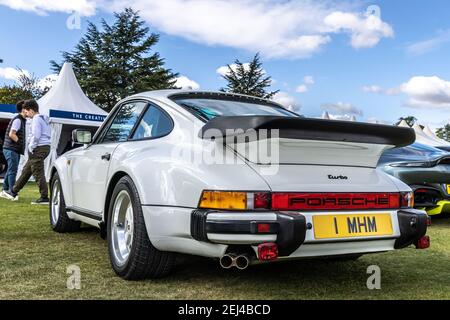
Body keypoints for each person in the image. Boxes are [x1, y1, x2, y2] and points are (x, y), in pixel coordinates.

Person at [3, 99, 51, 204]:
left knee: (38, 173)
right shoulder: (44, 118)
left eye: (26, 111)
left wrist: (31, 146)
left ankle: (44, 197)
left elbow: (36, 135)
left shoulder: (36, 119)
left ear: (31, 110)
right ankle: (13, 191)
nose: (26, 114)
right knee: (26, 171)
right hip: (45, 147)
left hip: (38, 148)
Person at [0, 101, 27, 201]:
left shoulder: (21, 120)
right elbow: (12, 134)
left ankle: (4, 190)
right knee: (13, 170)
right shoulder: (18, 120)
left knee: (11, 169)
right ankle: (12, 192)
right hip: (11, 149)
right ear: (23, 109)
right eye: (27, 108)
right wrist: (20, 143)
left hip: (12, 149)